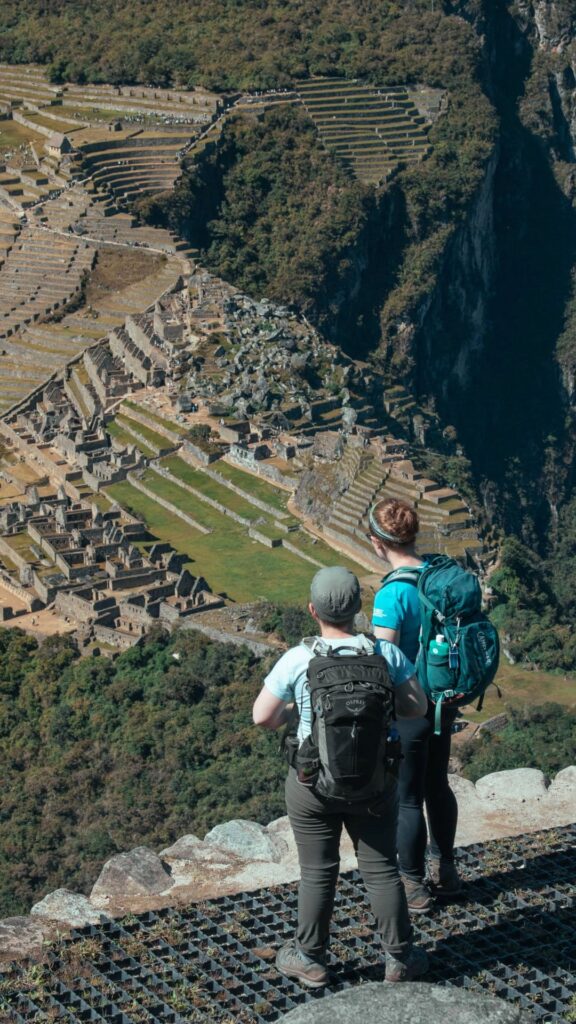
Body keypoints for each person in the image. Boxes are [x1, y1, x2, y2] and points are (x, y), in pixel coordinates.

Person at [252, 566, 429, 989]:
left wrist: (299, 710)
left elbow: (263, 717)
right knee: (383, 868)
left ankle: (310, 959)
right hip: (374, 783)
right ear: (358, 609)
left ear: (312, 610)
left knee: (318, 870)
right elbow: (417, 708)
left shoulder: (299, 658)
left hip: (313, 783)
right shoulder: (383, 655)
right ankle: (400, 959)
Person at [368, 498, 462, 914]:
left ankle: (413, 884)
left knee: (407, 798)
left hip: (409, 708)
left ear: (377, 542)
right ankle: (446, 871)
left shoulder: (393, 594)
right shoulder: (438, 578)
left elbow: (383, 659)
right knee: (437, 785)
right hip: (444, 700)